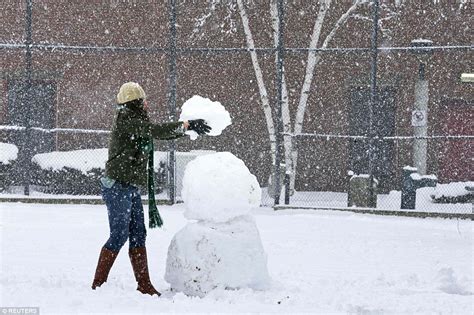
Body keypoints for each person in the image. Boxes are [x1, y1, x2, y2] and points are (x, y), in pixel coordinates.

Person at [91, 82, 211, 296]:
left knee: (138, 233)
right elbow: (154, 131)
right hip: (118, 186)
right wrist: (186, 126)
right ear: (136, 103)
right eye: (143, 100)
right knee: (119, 235)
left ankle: (144, 284)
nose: (147, 104)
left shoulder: (135, 119)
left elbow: (152, 130)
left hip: (129, 186)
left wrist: (186, 127)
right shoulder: (127, 120)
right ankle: (98, 284)